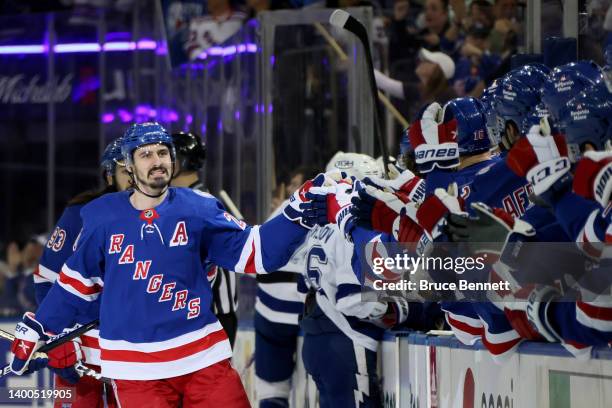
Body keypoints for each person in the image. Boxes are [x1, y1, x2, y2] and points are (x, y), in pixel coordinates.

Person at [9, 122, 321, 407]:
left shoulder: (199, 209)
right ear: (129, 166)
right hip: (135, 369)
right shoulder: (100, 216)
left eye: (162, 152)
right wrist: (40, 329)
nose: (156, 160)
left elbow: (257, 252)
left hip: (202, 357)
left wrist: (297, 212)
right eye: (145, 154)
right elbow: (74, 285)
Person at [32, 138, 131, 408]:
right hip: (82, 351)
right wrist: (58, 336)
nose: (134, 177)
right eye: (125, 170)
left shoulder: (164, 217)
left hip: (139, 353)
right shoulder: (81, 214)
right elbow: (46, 279)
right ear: (110, 175)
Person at [255, 165, 318, 408]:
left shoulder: (282, 211)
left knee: (272, 391)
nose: (291, 188)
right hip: (310, 315)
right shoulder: (335, 210)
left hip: (270, 313)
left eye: (295, 183)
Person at [170, 131, 239, 348]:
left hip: (213, 317)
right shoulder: (195, 200)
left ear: (180, 161)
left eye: (165, 155)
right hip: (211, 315)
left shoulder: (198, 205)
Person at [374, 48, 457, 120]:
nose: (421, 61)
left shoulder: (448, 98)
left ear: (436, 70)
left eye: (427, 61)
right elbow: (388, 84)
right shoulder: (422, 89)